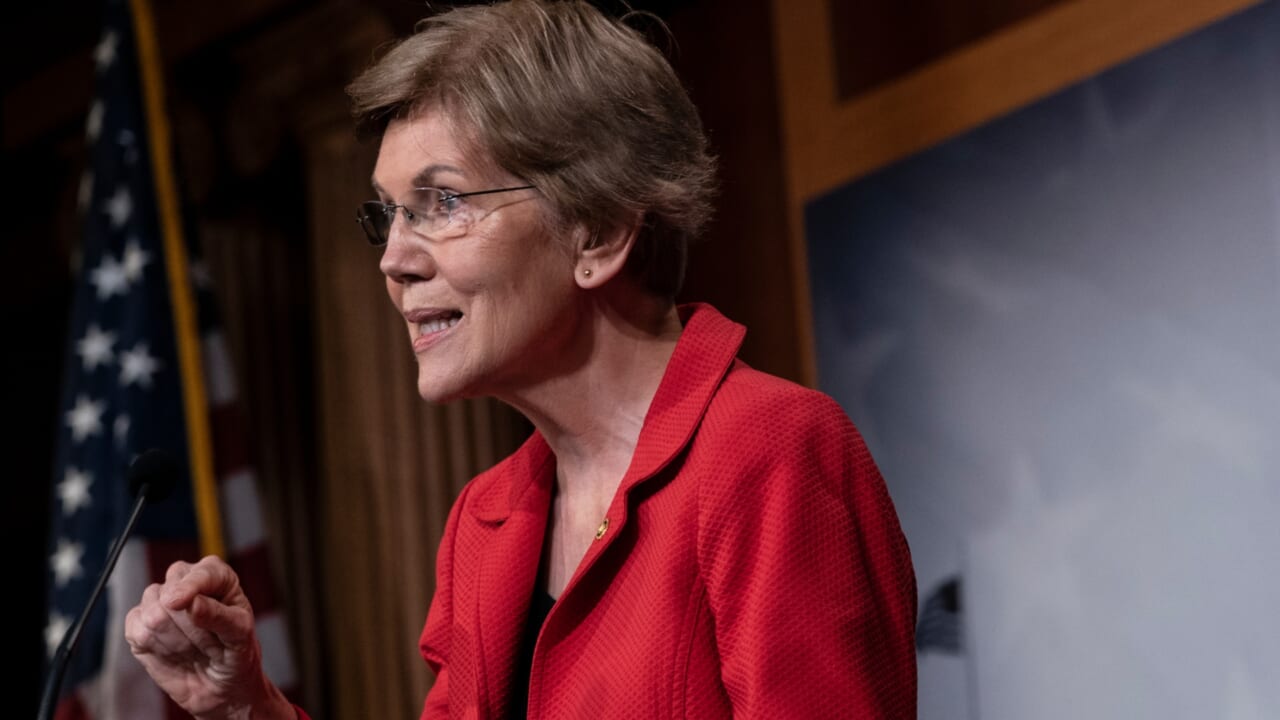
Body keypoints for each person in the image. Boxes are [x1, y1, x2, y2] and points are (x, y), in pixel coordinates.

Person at [123, 1, 918, 717]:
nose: (394, 260)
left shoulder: (767, 451)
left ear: (599, 231)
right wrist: (248, 706)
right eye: (389, 215)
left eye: (441, 203)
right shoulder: (486, 521)